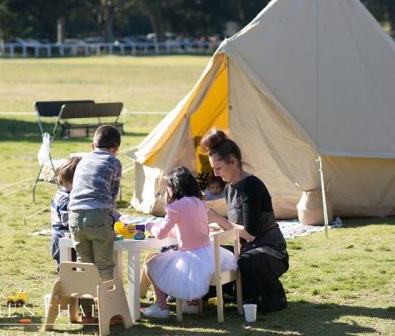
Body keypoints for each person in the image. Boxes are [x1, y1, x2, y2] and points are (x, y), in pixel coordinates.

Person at [201, 128, 289, 313]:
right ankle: (212, 293)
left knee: (248, 261)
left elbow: (249, 234)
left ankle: (274, 296)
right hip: (246, 248)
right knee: (209, 253)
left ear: (233, 162)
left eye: (218, 168)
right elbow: (236, 229)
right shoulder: (230, 188)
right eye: (214, 169)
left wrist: (217, 219)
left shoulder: (251, 186)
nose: (216, 174)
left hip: (270, 250)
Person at [142, 166, 237, 319]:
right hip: (209, 255)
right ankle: (192, 304)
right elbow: (188, 227)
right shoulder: (200, 203)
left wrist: (150, 226)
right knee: (184, 267)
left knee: (150, 264)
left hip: (190, 256)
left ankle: (161, 306)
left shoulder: (175, 207)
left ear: (174, 187)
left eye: (168, 188)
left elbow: (160, 234)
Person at [68, 125, 122, 281]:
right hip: (98, 216)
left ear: (93, 146)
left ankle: (86, 304)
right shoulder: (114, 161)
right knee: (104, 265)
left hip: (74, 215)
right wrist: (113, 218)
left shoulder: (83, 160)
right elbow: (112, 194)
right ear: (115, 148)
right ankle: (108, 304)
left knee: (84, 264)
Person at [49, 156, 82, 271]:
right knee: (67, 270)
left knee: (70, 270)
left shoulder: (61, 193)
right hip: (62, 239)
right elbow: (67, 221)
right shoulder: (66, 198)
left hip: (63, 237)